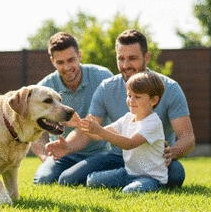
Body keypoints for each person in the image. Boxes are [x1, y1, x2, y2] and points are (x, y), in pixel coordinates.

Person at [46, 29, 195, 187]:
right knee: (68, 179)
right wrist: (69, 143)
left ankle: (138, 182)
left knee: (176, 172)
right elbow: (92, 131)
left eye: (132, 58)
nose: (125, 65)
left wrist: (173, 151)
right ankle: (132, 181)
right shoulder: (106, 88)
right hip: (117, 157)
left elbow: (187, 136)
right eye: (121, 58)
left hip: (154, 161)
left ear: (147, 58)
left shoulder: (170, 88)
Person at [31, 32, 114, 184]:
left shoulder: (102, 77)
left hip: (97, 152)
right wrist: (45, 157)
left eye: (71, 60)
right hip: (61, 154)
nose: (67, 67)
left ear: (80, 55)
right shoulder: (44, 88)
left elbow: (97, 123)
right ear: (52, 61)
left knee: (68, 179)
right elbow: (34, 128)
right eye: (60, 62)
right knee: (43, 179)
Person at [79, 72, 167, 193]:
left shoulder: (153, 122)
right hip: (128, 173)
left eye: (137, 96)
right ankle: (129, 183)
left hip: (150, 177)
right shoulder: (127, 118)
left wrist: (99, 129)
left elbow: (129, 144)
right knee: (91, 180)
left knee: (130, 191)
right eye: (129, 95)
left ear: (154, 100)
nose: (131, 100)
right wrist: (79, 124)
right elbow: (98, 136)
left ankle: (138, 186)